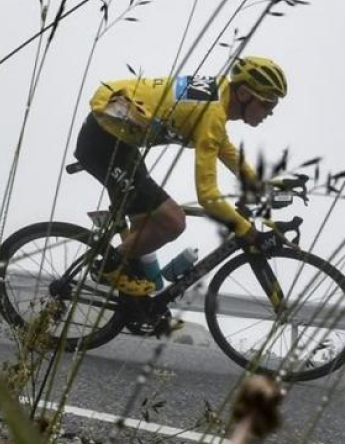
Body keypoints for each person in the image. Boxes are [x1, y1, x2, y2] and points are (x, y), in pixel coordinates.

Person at [74, 56, 286, 296]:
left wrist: (261, 186)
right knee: (173, 222)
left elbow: (224, 148)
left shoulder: (218, 95)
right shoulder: (213, 113)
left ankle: (129, 301)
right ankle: (107, 267)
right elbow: (207, 195)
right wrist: (248, 232)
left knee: (149, 227)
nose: (271, 112)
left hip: (118, 137)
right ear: (245, 94)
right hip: (104, 142)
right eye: (267, 104)